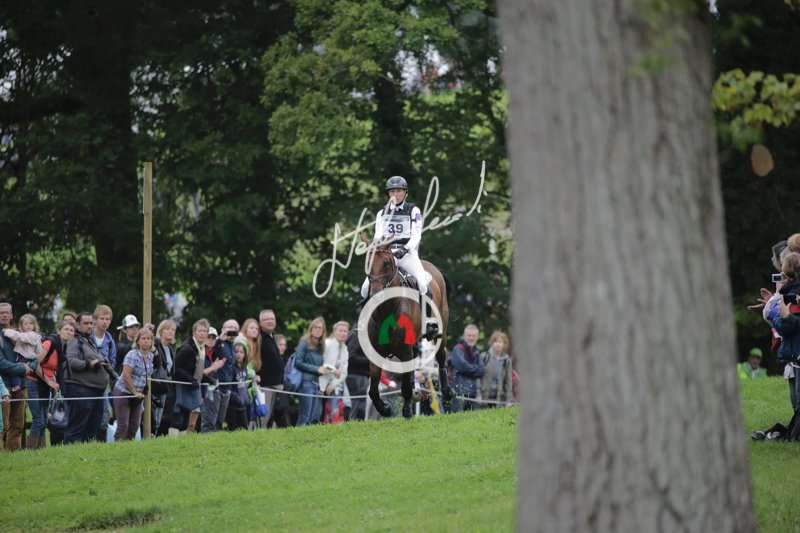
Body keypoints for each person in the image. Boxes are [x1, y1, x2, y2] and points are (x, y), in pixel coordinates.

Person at [359, 176, 438, 340]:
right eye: (392, 191)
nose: (395, 194)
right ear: (388, 194)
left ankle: (429, 323)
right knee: (365, 288)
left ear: (405, 193)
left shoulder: (413, 210)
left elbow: (417, 234)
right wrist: (376, 248)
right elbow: (378, 236)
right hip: (387, 254)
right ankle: (364, 322)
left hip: (408, 254)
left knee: (422, 285)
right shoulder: (382, 213)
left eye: (399, 191)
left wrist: (406, 248)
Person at [63, 311, 113, 444]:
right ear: (77, 324)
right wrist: (88, 364)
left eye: (91, 323)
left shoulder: (89, 341)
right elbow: (70, 361)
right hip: (81, 389)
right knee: (76, 428)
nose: (90, 326)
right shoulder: (74, 341)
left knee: (92, 428)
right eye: (86, 323)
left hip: (96, 390)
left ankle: (85, 454)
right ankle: (70, 454)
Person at [170, 319, 223, 436]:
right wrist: (190, 379)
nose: (202, 333)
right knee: (178, 416)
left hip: (191, 385)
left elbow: (197, 372)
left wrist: (209, 380)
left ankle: (182, 442)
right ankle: (172, 441)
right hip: (181, 386)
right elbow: (175, 368)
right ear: (194, 333)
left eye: (205, 331)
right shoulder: (187, 348)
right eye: (200, 331)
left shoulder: (201, 348)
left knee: (185, 418)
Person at [36, 317, 76, 447]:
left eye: (71, 330)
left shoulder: (62, 347)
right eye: (66, 329)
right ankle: (32, 450)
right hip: (35, 382)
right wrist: (48, 380)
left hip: (46, 384)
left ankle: (40, 451)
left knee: (43, 421)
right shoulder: (51, 342)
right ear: (59, 330)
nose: (68, 332)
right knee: (38, 420)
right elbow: (35, 363)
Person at [0, 303, 33, 451]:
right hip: (3, 384)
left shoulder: (19, 334)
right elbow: (1, 363)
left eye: (7, 312)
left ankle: (13, 456)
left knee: (18, 425)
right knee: (2, 424)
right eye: (1, 313)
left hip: (21, 384)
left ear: (11, 315)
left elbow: (30, 355)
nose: (4, 315)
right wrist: (22, 369)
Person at [111, 328, 154, 441]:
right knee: (123, 426)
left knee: (134, 426)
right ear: (138, 341)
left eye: (148, 338)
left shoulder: (151, 356)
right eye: (143, 338)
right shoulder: (132, 355)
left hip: (138, 395)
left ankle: (130, 448)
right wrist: (134, 392)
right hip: (123, 392)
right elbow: (126, 375)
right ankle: (118, 447)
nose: (146, 341)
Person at [294, 317, 328, 426]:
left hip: (316, 383)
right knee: (305, 416)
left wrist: (326, 369)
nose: (317, 330)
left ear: (323, 331)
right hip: (306, 382)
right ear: (311, 329)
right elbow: (298, 362)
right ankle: (297, 436)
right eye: (315, 327)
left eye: (320, 328)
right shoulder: (305, 342)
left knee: (313, 417)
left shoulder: (320, 346)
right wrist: (317, 369)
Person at [91, 305, 117, 442]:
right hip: (87, 382)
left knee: (105, 414)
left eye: (107, 319)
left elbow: (113, 360)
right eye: (102, 318)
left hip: (103, 383)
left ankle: (101, 443)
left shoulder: (109, 339)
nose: (105, 322)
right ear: (95, 320)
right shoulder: (88, 336)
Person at [257, 310, 285, 427]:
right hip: (264, 385)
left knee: (270, 416)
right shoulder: (259, 337)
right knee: (263, 415)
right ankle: (257, 435)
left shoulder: (272, 336)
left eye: (272, 319)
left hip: (275, 384)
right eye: (266, 319)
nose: (270, 321)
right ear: (260, 322)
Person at [448, 324, 485, 413]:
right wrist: (475, 368)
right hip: (458, 391)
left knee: (471, 420)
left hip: (472, 393)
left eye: (473, 336)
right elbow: (462, 366)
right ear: (464, 336)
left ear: (477, 337)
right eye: (469, 335)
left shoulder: (476, 351)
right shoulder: (457, 349)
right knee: (457, 418)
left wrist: (469, 368)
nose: (471, 338)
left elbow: (482, 371)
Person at [3, 314, 41, 394]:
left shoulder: (32, 335)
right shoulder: (25, 334)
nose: (28, 325)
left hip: (27, 358)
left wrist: (6, 331)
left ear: (34, 325)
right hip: (24, 358)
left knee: (17, 369)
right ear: (21, 326)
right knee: (19, 371)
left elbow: (19, 336)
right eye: (26, 324)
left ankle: (19, 385)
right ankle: (21, 384)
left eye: (31, 323)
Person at [153, 319, 177, 436]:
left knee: (161, 416)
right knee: (153, 415)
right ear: (161, 331)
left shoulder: (170, 349)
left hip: (165, 387)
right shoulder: (156, 344)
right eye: (167, 329)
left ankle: (157, 437)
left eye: (173, 330)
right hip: (155, 385)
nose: (170, 332)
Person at [321, 321, 349, 424]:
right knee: (318, 412)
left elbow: (344, 373)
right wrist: (333, 370)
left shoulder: (345, 349)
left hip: (334, 386)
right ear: (334, 332)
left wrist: (333, 384)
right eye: (340, 331)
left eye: (345, 331)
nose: (343, 333)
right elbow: (320, 362)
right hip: (321, 382)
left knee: (335, 413)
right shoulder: (327, 343)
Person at [479, 331, 514, 408]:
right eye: (495, 341)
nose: (498, 344)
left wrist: (509, 399)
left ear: (504, 344)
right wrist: (478, 394)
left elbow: (508, 381)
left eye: (500, 342)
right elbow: (478, 377)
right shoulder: (484, 356)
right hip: (483, 397)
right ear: (492, 343)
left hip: (499, 398)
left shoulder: (507, 360)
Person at [227, 335, 255, 431]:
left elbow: (244, 386)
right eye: (236, 352)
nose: (238, 354)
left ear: (245, 354)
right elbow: (229, 388)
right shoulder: (231, 368)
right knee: (232, 430)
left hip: (243, 405)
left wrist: (246, 399)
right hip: (233, 405)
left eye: (241, 352)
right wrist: (238, 399)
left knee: (244, 429)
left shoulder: (244, 369)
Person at [345, 330, 371, 421]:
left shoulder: (363, 337)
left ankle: (357, 426)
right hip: (356, 375)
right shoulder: (357, 336)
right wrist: (370, 361)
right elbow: (351, 356)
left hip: (362, 376)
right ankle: (353, 426)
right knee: (357, 406)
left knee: (360, 406)